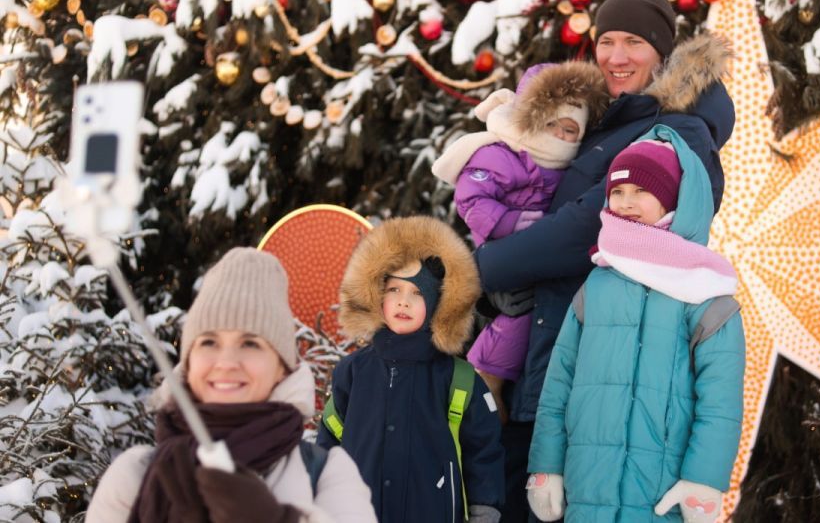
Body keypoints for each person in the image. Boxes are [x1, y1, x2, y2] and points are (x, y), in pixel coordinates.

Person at [472, 0, 736, 520]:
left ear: (663, 53)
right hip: (552, 355)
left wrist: (474, 269)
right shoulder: (606, 121)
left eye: (634, 42)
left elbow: (585, 227)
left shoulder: (676, 129)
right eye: (606, 41)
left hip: (606, 374)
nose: (616, 57)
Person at [526, 125, 745, 522]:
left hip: (660, 493)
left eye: (642, 191)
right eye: (617, 192)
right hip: (588, 485)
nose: (626, 202)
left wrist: (704, 479)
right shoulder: (598, 282)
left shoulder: (705, 291)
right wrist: (547, 465)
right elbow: (559, 383)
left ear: (675, 198)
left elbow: (720, 402)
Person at [85, 247, 377, 523]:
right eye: (209, 342)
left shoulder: (326, 473)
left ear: (282, 368)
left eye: (250, 343)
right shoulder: (133, 477)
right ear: (188, 362)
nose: (226, 362)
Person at [432, 61, 608, 422]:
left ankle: (487, 383)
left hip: (539, 257)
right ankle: (484, 378)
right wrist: (508, 222)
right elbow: (471, 199)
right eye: (551, 124)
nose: (559, 136)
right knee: (515, 318)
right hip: (502, 247)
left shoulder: (565, 168)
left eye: (570, 129)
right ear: (531, 120)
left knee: (526, 316)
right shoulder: (501, 152)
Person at [316, 216, 505, 523]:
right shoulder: (352, 372)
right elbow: (330, 438)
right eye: (394, 290)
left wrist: (484, 510)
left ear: (439, 305)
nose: (403, 302)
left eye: (417, 294)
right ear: (376, 294)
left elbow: (483, 453)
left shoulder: (459, 380)